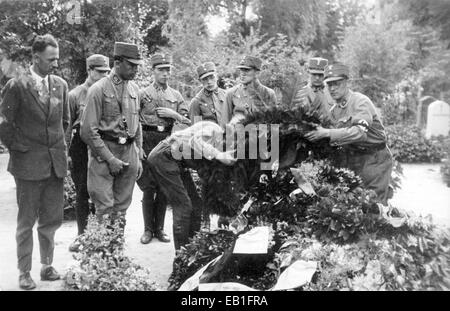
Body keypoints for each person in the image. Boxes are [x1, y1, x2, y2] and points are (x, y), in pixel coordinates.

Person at [0, 34, 69, 290]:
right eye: (51, 59)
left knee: (52, 219)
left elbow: (64, 123)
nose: (55, 64)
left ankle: (46, 266)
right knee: (26, 221)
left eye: (57, 59)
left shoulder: (60, 85)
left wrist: (61, 150)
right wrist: (21, 149)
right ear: (35, 57)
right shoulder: (17, 85)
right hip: (28, 167)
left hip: (55, 164)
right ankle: (24, 271)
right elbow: (4, 124)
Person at [305, 63, 393, 204]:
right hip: (354, 159)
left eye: (337, 84)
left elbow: (360, 133)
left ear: (347, 82)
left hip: (374, 159)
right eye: (329, 85)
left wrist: (326, 133)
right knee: (352, 205)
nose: (332, 89)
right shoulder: (335, 110)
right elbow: (336, 138)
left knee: (372, 205)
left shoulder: (360, 101)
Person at [146, 121, 236, 250]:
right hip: (163, 158)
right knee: (183, 206)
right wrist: (219, 155)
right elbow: (194, 141)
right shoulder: (214, 129)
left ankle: (192, 250)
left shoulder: (219, 154)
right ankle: (181, 257)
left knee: (196, 204)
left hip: (177, 163)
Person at [80, 42, 143, 224]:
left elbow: (137, 124)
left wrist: (137, 155)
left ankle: (117, 251)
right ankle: (104, 251)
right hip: (105, 153)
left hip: (129, 151)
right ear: (117, 62)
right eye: (131, 65)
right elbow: (88, 131)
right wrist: (110, 158)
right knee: (105, 208)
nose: (135, 70)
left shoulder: (134, 89)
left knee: (122, 208)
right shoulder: (98, 90)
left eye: (137, 65)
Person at [137, 54, 193, 244]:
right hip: (147, 139)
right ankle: (147, 230)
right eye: (161, 69)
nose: (165, 73)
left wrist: (174, 114)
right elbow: (134, 119)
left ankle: (159, 229)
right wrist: (139, 145)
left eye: (167, 69)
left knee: (163, 187)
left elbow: (188, 122)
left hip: (167, 142)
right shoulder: (142, 93)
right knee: (148, 187)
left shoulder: (176, 95)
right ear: (153, 71)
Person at [67, 54, 110, 252]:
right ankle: (82, 235)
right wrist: (66, 152)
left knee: (101, 192)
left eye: (106, 73)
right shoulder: (75, 95)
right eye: (100, 72)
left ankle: (102, 235)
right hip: (81, 148)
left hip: (101, 145)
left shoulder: (108, 93)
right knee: (82, 191)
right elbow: (67, 127)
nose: (103, 76)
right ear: (89, 71)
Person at [223, 56, 277, 125]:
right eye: (241, 70)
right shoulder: (231, 93)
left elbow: (274, 123)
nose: (242, 73)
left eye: (246, 70)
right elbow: (225, 124)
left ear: (257, 73)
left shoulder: (269, 93)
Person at [291, 57, 334, 121]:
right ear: (308, 73)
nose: (317, 78)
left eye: (320, 75)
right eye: (314, 74)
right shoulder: (301, 93)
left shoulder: (333, 92)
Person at [189, 62, 227, 128]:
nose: (209, 82)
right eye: (205, 79)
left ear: (217, 76)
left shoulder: (227, 95)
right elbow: (196, 129)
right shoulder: (196, 102)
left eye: (212, 77)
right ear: (200, 81)